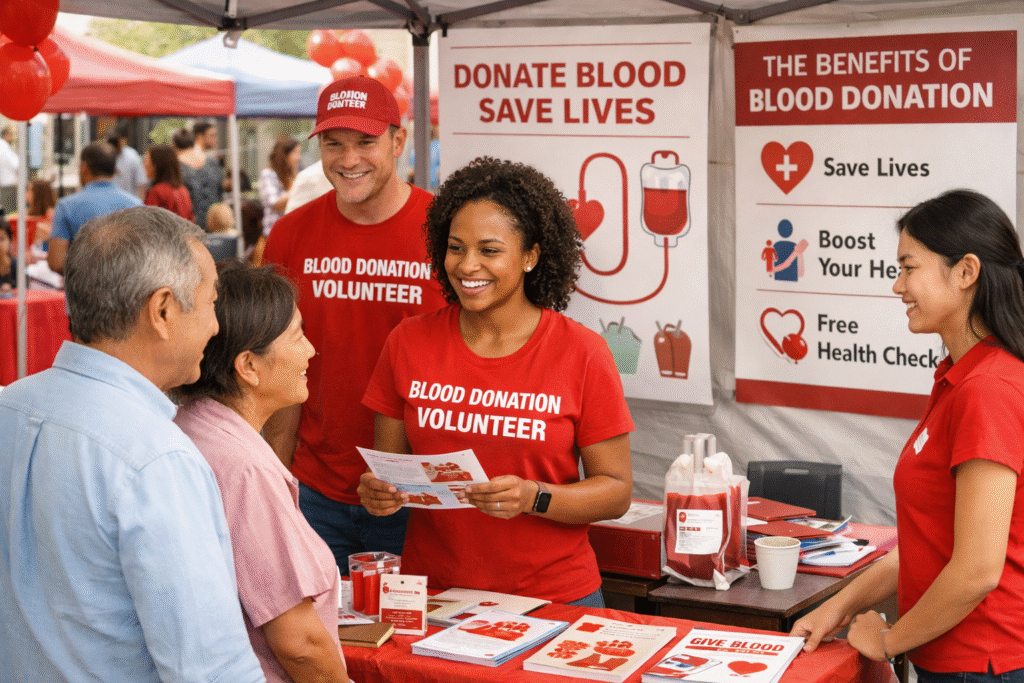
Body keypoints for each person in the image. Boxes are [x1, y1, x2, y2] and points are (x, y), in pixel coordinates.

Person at [0, 206, 264, 682]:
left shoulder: (10, 407)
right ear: (162, 311)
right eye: (211, 302)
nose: (216, 326)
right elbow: (209, 667)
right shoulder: (155, 457)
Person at [358, 157, 634, 606]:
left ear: (530, 256)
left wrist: (533, 497)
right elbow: (389, 470)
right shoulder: (407, 341)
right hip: (435, 594)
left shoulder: (582, 352)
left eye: (489, 251)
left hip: (554, 599)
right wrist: (378, 492)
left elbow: (617, 491)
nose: (468, 266)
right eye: (455, 248)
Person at [791, 189, 1024, 681]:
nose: (898, 286)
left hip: (983, 663)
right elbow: (926, 548)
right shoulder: (958, 378)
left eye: (908, 267)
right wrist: (837, 608)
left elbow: (977, 570)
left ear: (966, 271)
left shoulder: (987, 389)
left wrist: (887, 641)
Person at [261, 75, 447, 571]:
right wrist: (274, 484)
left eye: (366, 142)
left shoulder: (447, 234)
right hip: (314, 489)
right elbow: (275, 369)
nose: (348, 160)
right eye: (333, 144)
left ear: (398, 142)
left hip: (417, 496)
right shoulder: (289, 236)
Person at [173, 261, 349, 683]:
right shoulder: (244, 469)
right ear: (248, 366)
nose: (311, 351)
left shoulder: (189, 426)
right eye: (298, 336)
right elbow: (299, 645)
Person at [47, 141, 142, 274]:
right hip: (126, 284)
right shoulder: (137, 205)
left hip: (80, 285)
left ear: (84, 167)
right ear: (115, 169)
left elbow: (56, 262)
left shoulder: (66, 206)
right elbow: (142, 259)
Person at [258, 138, 300, 236]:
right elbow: (276, 205)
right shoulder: (268, 174)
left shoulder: (292, 176)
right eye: (295, 152)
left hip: (291, 232)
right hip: (274, 233)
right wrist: (297, 186)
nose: (299, 157)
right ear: (284, 155)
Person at [144, 144, 195, 221]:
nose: (144, 164)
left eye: (147, 160)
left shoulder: (157, 192)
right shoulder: (182, 190)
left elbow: (148, 222)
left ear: (156, 165)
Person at [191, 121, 225, 230]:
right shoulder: (206, 161)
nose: (216, 139)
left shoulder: (210, 160)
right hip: (202, 223)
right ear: (200, 136)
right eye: (212, 135)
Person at [107, 121, 148, 200]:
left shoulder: (132, 157)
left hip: (129, 202)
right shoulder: (105, 157)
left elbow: (141, 184)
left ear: (121, 141)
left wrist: (140, 204)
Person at [0, 125, 18, 215]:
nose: (14, 138)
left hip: (5, 186)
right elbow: (17, 166)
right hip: (8, 187)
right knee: (10, 214)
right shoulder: (4, 148)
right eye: (12, 134)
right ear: (6, 135)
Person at [0, 221, 15, 290]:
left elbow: (25, 286)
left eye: (2, 239)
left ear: (10, 241)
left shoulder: (15, 264)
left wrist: (11, 287)